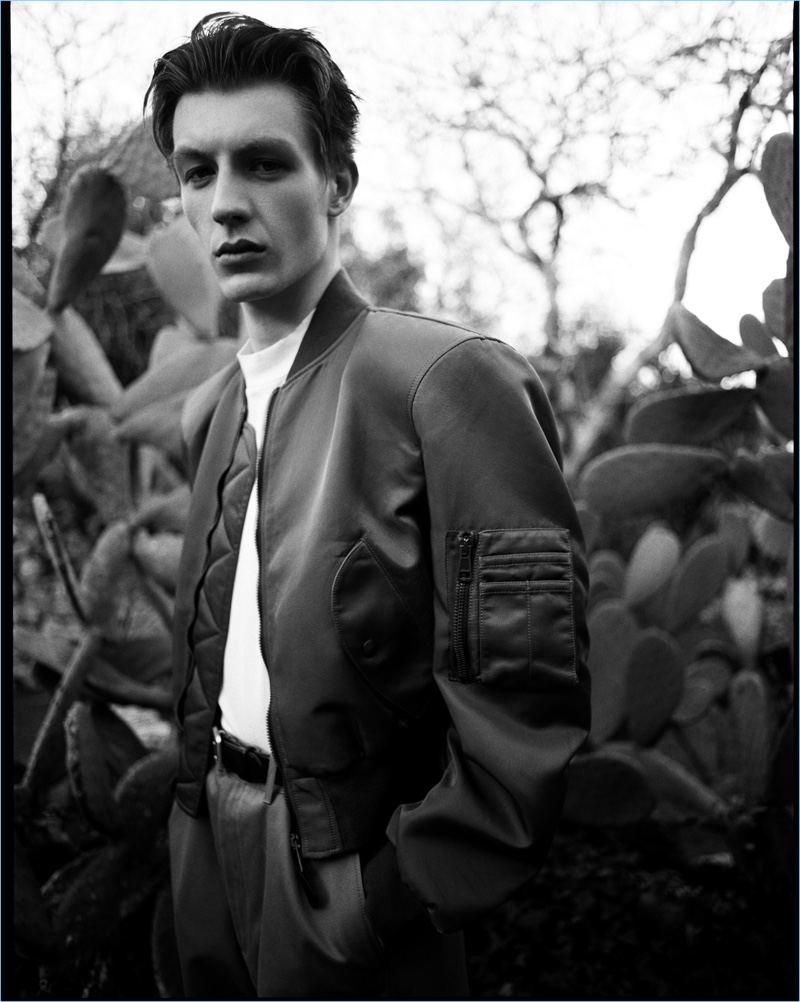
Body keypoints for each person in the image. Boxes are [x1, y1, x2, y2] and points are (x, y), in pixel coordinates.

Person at [145, 12, 590, 1000]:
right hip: (204, 845)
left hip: (342, 882)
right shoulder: (209, 410)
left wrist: (386, 893)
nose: (225, 203)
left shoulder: (445, 379)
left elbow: (525, 700)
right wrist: (188, 826)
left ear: (337, 182)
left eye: (264, 163)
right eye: (197, 171)